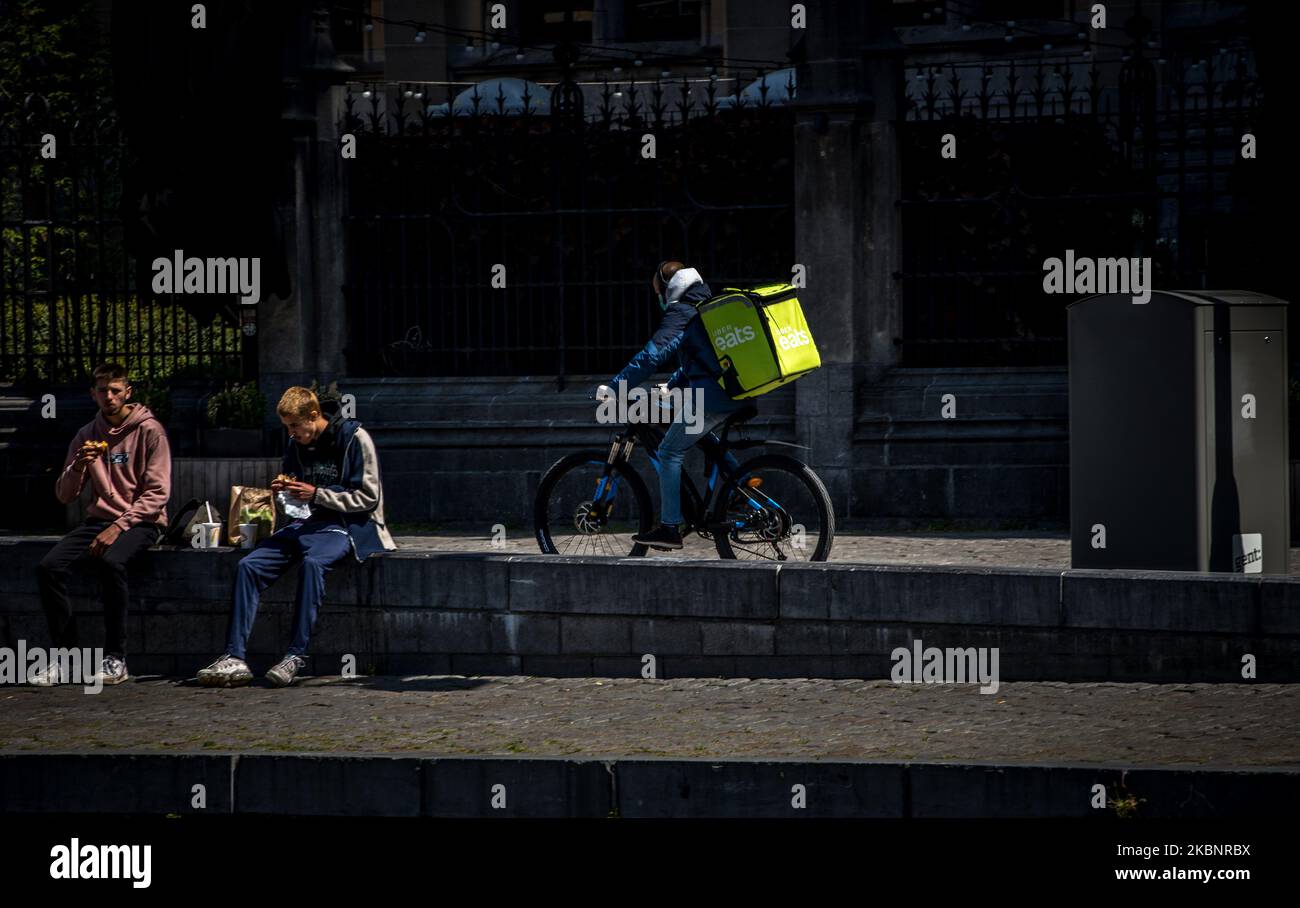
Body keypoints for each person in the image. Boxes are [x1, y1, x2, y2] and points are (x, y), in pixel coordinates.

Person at [197, 386, 396, 688]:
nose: (291, 433)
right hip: (304, 523)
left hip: (347, 525)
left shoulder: (354, 438)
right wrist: (285, 494)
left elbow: (368, 497)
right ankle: (234, 656)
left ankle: (294, 656)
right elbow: (295, 501)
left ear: (314, 416)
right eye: (287, 427)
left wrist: (317, 494)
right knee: (248, 566)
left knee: (313, 565)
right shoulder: (295, 444)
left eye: (294, 426)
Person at [32, 363, 172, 686]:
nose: (109, 397)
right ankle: (67, 658)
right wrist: (78, 468)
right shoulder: (86, 435)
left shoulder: (150, 431)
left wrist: (121, 525)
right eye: (102, 391)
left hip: (143, 520)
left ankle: (115, 658)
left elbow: (158, 493)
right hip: (100, 519)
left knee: (111, 562)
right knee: (48, 567)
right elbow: (65, 496)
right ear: (93, 394)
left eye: (115, 390)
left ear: (128, 392)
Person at [603, 261, 747, 550]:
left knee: (669, 451)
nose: (658, 298)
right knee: (695, 428)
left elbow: (651, 355)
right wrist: (671, 386)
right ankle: (740, 486)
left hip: (713, 395)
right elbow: (701, 359)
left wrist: (615, 387)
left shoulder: (682, 311)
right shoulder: (704, 304)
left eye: (658, 291)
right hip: (735, 390)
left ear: (668, 288)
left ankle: (669, 528)